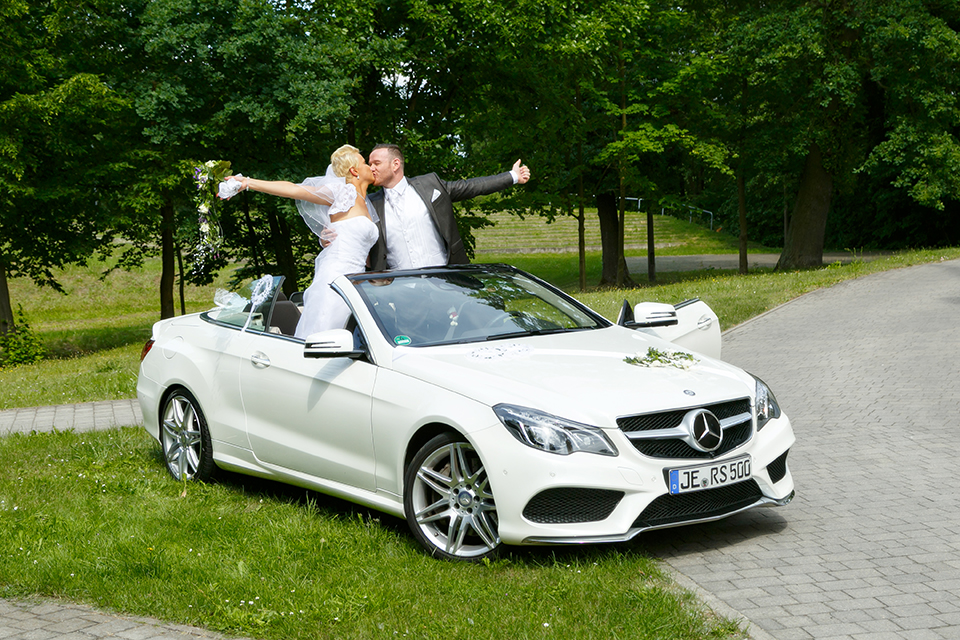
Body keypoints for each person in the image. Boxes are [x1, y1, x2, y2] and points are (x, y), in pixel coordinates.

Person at [222, 145, 378, 339]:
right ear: (354, 170)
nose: (370, 167)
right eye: (365, 163)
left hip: (357, 280)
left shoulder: (367, 202)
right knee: (325, 334)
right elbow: (293, 189)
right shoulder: (342, 191)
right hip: (335, 276)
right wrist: (247, 182)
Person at [365, 144, 531, 271]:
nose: (371, 168)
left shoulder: (430, 185)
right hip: (400, 291)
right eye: (369, 163)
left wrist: (513, 176)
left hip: (443, 282)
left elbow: (471, 187)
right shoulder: (370, 204)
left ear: (395, 164)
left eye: (376, 163)